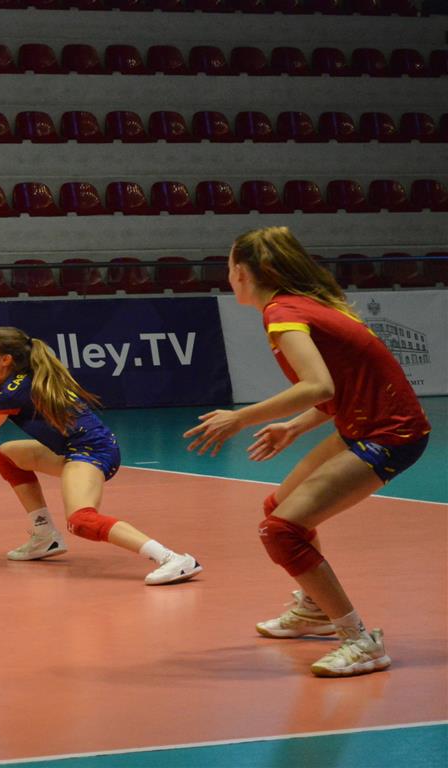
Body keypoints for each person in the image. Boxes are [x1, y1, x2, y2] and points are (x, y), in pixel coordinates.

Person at [184, 226, 431, 677]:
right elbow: (343, 386)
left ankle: (360, 641)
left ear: (244, 272)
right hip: (363, 425)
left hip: (389, 434)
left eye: (229, 265)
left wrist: (240, 418)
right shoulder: (301, 305)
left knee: (281, 531)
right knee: (278, 508)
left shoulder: (282, 313)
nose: (228, 274)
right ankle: (316, 608)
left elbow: (318, 386)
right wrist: (295, 426)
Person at [0, 327, 203, 584]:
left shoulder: (14, 392)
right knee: (7, 455)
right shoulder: (12, 382)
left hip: (92, 452)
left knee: (82, 520)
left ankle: (172, 558)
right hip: (73, 449)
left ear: (5, 359)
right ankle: (44, 536)